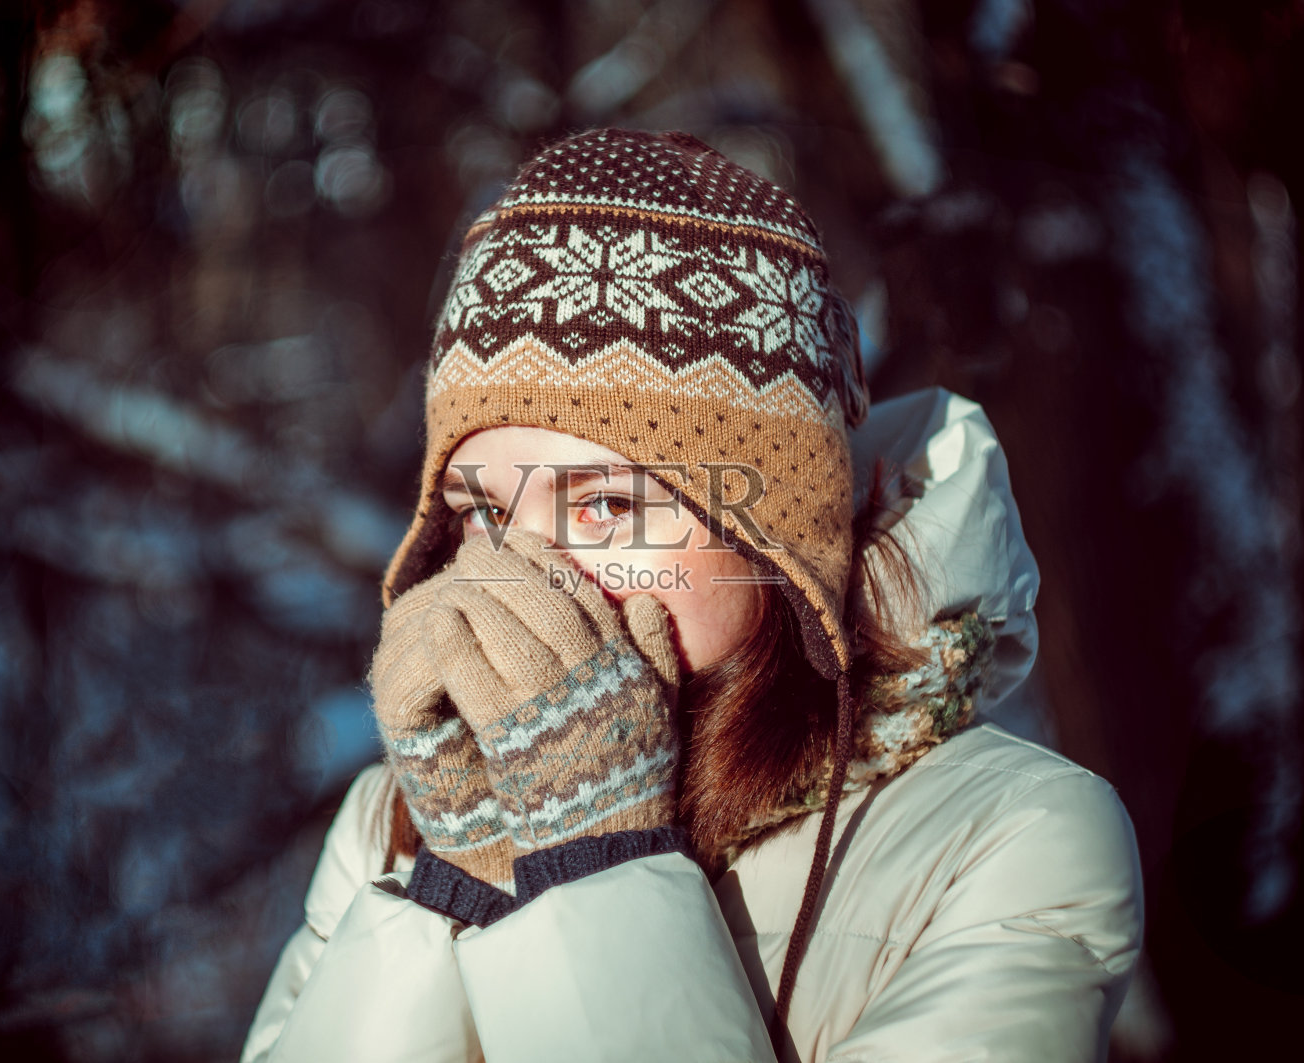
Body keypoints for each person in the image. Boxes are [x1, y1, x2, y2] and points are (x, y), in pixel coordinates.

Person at [240, 128, 1144, 1063]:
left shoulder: (1014, 842)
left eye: (602, 504)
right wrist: (462, 882)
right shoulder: (389, 827)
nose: (530, 580)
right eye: (483, 514)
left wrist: (593, 863)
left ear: (778, 542)